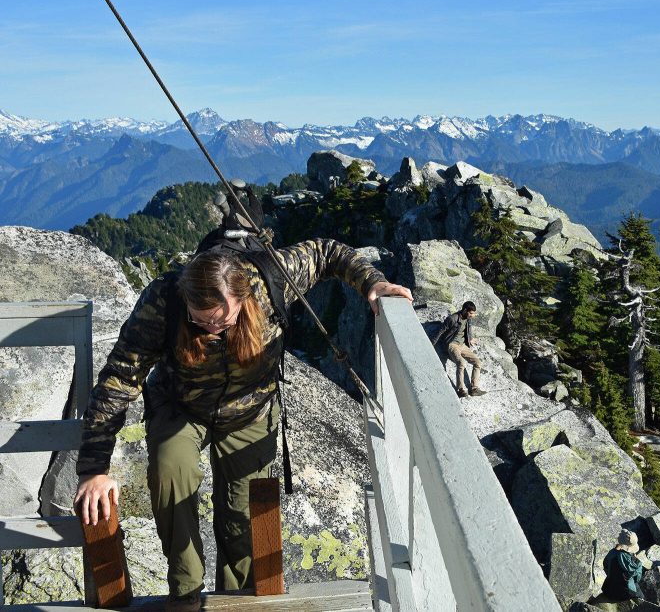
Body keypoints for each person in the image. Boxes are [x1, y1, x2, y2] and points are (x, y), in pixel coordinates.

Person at [73, 239, 413, 612]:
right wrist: (94, 468)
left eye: (223, 320)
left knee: (242, 513)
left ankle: (235, 600)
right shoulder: (163, 301)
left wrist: (372, 283)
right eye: (201, 321)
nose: (214, 329)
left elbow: (327, 252)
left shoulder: (270, 279)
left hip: (250, 409)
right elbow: (120, 379)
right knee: (171, 471)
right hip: (181, 405)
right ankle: (185, 593)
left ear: (242, 295)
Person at [431, 300, 486, 397]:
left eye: (474, 313)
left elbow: (468, 330)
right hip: (452, 344)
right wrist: (431, 345)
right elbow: (440, 331)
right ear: (465, 310)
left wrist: (470, 339)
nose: (473, 315)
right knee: (461, 363)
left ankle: (474, 389)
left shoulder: (468, 319)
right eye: (471, 313)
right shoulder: (452, 319)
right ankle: (460, 389)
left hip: (463, 345)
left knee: (478, 362)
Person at [590, 529, 646, 610]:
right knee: (640, 594)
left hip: (609, 590)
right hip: (626, 593)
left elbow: (605, 566)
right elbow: (637, 578)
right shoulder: (637, 563)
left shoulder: (611, 555)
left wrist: (614, 550)